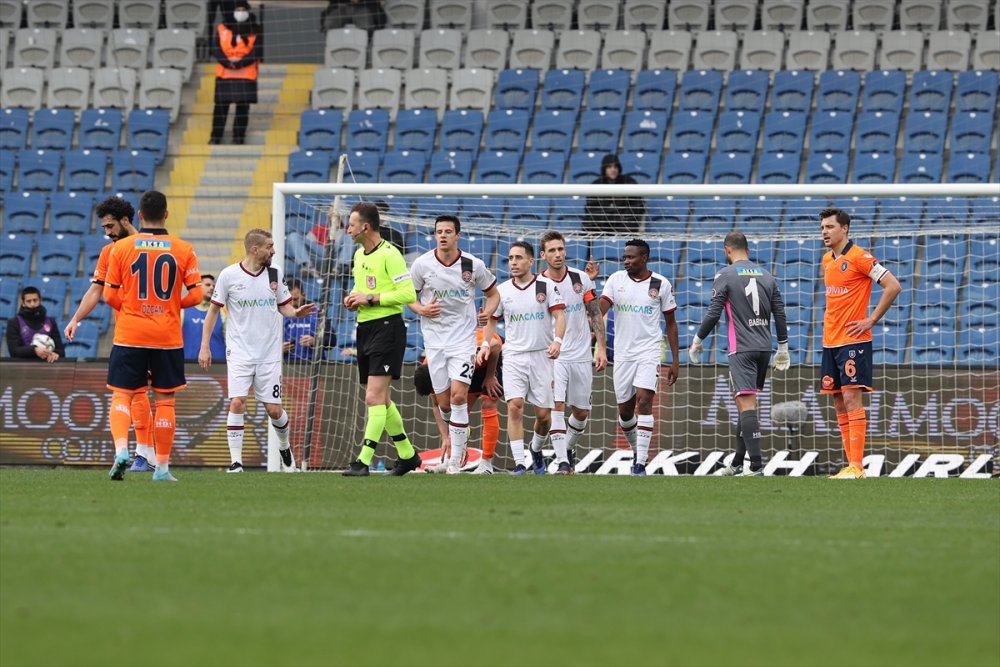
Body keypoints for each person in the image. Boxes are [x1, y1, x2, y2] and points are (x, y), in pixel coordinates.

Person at [102, 191, 203, 482]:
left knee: (123, 393)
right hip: (166, 335)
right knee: (165, 402)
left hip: (130, 333)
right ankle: (161, 468)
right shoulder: (183, 248)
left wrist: (134, 308)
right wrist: (170, 305)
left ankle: (122, 449)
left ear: (140, 216)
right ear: (167, 215)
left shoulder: (121, 248)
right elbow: (196, 294)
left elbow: (109, 294)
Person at [199, 229, 316, 473]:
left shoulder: (275, 273)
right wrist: (205, 346)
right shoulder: (229, 275)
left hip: (269, 354)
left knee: (273, 409)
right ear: (255, 249)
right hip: (239, 352)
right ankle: (236, 463)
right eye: (270, 246)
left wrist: (295, 313)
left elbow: (284, 307)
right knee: (237, 403)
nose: (273, 250)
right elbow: (213, 311)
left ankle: (285, 448)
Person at [65, 196, 157, 473]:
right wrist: (76, 317)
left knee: (130, 392)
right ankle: (148, 456)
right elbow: (95, 290)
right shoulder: (158, 246)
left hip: (134, 333)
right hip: (158, 332)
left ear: (126, 220)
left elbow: (99, 292)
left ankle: (146, 455)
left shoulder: (118, 251)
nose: (107, 233)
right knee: (141, 393)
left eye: (109, 226)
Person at [687, 231, 792, 477]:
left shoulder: (725, 274)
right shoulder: (767, 275)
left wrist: (698, 340)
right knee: (746, 404)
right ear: (748, 250)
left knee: (746, 407)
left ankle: (755, 466)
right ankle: (736, 463)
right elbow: (780, 313)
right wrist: (783, 348)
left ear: (727, 250)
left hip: (741, 349)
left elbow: (713, 313)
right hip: (764, 348)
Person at [408, 215, 500, 474]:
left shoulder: (473, 264)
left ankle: (454, 463)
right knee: (445, 403)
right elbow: (409, 298)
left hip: (463, 340)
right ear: (435, 235)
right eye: (439, 231)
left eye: (448, 231)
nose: (443, 235)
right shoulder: (422, 265)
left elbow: (493, 294)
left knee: (460, 396)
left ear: (457, 235)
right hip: (435, 342)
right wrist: (422, 310)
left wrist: (488, 312)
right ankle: (453, 448)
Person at [818, 207, 902, 479]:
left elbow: (893, 285)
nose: (825, 232)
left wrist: (872, 319)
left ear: (844, 229)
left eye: (830, 227)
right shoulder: (826, 261)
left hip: (854, 340)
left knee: (852, 397)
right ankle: (851, 465)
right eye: (822, 227)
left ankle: (857, 466)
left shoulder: (861, 257)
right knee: (839, 403)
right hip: (830, 342)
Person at [341, 202, 421, 477]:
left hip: (388, 328)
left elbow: (408, 294)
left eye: (351, 224)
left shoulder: (391, 254)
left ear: (365, 226)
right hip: (364, 328)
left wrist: (372, 298)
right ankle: (408, 456)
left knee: (373, 396)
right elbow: (360, 288)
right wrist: (353, 297)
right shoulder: (358, 255)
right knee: (382, 400)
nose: (347, 228)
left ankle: (363, 461)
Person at [478, 241, 566, 475]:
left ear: (530, 261)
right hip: (514, 355)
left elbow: (559, 315)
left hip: (542, 356)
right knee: (515, 407)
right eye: (510, 258)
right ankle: (519, 463)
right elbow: (492, 320)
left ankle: (535, 449)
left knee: (544, 416)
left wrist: (557, 341)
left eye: (518, 258)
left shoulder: (546, 286)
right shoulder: (503, 290)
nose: (513, 263)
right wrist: (486, 343)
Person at [599, 239, 680, 476]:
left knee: (644, 402)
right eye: (624, 257)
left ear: (644, 258)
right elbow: (599, 310)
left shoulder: (660, 284)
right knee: (625, 413)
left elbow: (671, 324)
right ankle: (638, 450)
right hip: (623, 354)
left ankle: (640, 463)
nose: (626, 261)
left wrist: (675, 360)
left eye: (631, 257)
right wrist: (590, 287)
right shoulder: (616, 280)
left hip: (649, 351)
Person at [539, 231, 607, 473]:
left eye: (560, 249)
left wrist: (600, 347)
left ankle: (564, 449)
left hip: (580, 354)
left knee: (581, 412)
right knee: (556, 406)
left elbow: (595, 313)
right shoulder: (539, 284)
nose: (557, 254)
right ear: (543, 254)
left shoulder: (581, 279)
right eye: (552, 250)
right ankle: (562, 463)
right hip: (553, 355)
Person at [416, 327, 503, 474]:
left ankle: (486, 464)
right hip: (463, 365)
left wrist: (489, 376)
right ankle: (451, 461)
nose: (436, 393)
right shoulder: (431, 364)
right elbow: (436, 405)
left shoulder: (473, 350)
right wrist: (445, 437)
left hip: (489, 357)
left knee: (488, 403)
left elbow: (494, 345)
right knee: (459, 412)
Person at [210, 1, 263, 145]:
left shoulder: (255, 29)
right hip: (225, 73)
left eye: (243, 9)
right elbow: (215, 48)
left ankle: (239, 137)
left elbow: (256, 51)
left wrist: (240, 63)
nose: (240, 12)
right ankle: (216, 136)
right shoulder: (221, 28)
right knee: (221, 107)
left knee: (243, 108)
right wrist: (227, 62)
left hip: (246, 74)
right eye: (237, 9)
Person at [583, 154, 646, 235]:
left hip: (622, 223)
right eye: (609, 167)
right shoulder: (596, 185)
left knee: (629, 224)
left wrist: (619, 217)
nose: (613, 170)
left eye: (615, 167)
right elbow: (591, 208)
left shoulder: (629, 182)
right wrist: (608, 216)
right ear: (604, 169)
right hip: (602, 223)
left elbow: (637, 205)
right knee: (588, 224)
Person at [6, 286, 65, 362]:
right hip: (23, 368)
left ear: (40, 301)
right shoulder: (14, 323)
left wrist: (56, 354)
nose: (32, 304)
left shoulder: (50, 322)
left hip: (48, 367)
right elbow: (14, 351)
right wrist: (34, 350)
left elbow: (61, 350)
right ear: (23, 303)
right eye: (29, 301)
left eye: (35, 300)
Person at [283, 277, 336, 362]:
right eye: (289, 300)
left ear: (304, 295)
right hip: (288, 367)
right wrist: (279, 349)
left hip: (315, 365)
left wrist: (316, 341)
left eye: (295, 299)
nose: (292, 303)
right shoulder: (281, 314)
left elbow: (332, 341)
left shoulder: (317, 313)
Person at [182, 274, 225, 363]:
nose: (212, 288)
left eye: (213, 286)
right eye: (208, 285)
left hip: (219, 368)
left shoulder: (223, 312)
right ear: (198, 287)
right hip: (188, 366)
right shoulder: (183, 311)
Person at [319, 0, 387, 31]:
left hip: (366, 7)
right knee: (329, 23)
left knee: (365, 24)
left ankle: (362, 53)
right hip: (340, 7)